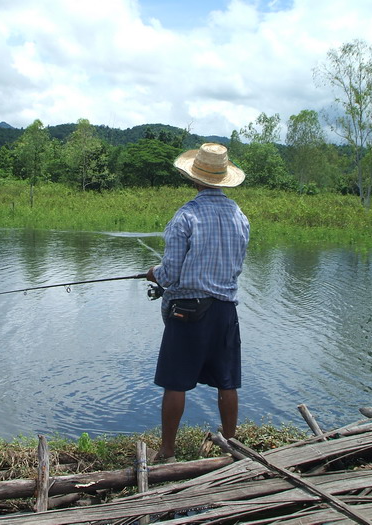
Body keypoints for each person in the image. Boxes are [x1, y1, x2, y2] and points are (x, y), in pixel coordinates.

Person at [146, 142, 250, 462]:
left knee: (175, 383)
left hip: (187, 311)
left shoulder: (186, 215)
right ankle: (231, 445)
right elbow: (237, 265)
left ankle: (167, 451)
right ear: (223, 177)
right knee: (227, 381)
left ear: (195, 177)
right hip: (225, 309)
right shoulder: (240, 216)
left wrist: (154, 274)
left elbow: (171, 274)